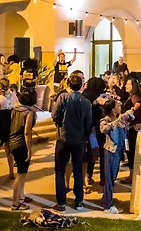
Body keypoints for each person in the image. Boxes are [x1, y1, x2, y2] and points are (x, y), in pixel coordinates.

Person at [52, 74, 92, 212]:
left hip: (63, 138)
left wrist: (59, 124)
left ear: (68, 85)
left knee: (60, 170)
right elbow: (89, 123)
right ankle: (79, 201)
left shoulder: (63, 98)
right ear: (81, 85)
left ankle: (61, 203)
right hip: (79, 139)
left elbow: (54, 115)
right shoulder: (86, 102)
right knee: (78, 170)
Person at [100, 99, 136, 214]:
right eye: (117, 106)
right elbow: (104, 129)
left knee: (113, 176)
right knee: (109, 177)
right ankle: (108, 205)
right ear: (112, 109)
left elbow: (129, 118)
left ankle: (106, 198)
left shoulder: (119, 119)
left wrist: (131, 111)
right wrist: (116, 122)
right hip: (111, 151)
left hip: (118, 151)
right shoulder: (106, 120)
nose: (120, 107)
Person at [9, 87, 37, 211]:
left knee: (22, 173)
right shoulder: (28, 113)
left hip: (12, 142)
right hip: (21, 144)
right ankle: (15, 203)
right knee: (20, 174)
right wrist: (29, 150)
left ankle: (21, 196)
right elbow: (27, 132)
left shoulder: (15, 108)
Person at [121, 76, 141, 184]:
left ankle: (133, 176)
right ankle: (133, 174)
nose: (126, 86)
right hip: (134, 127)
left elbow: (137, 103)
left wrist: (133, 109)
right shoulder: (132, 96)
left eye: (128, 84)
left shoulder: (135, 97)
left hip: (134, 129)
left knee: (132, 151)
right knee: (131, 151)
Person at [82, 77, 107, 187]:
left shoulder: (84, 94)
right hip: (96, 128)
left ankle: (88, 176)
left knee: (89, 152)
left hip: (86, 128)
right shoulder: (93, 95)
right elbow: (104, 103)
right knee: (101, 151)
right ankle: (103, 177)